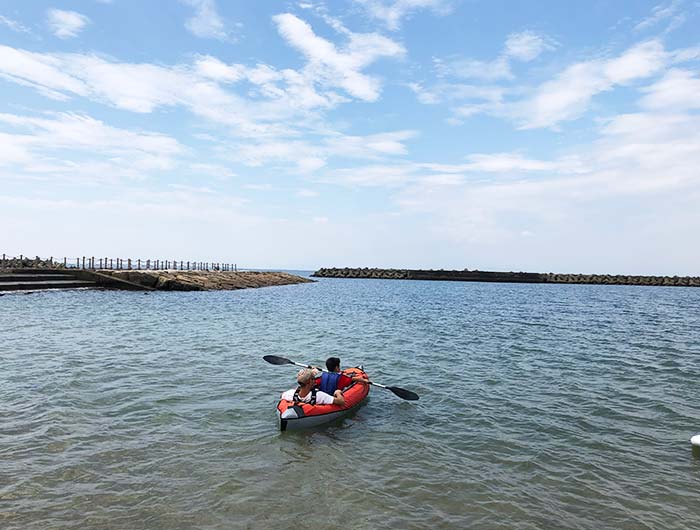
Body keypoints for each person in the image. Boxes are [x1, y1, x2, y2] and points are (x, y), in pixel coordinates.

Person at [281, 368, 345, 406]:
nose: (315, 380)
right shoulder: (320, 396)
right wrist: (337, 392)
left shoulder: (290, 393)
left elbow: (283, 395)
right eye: (313, 378)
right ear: (309, 381)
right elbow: (341, 402)